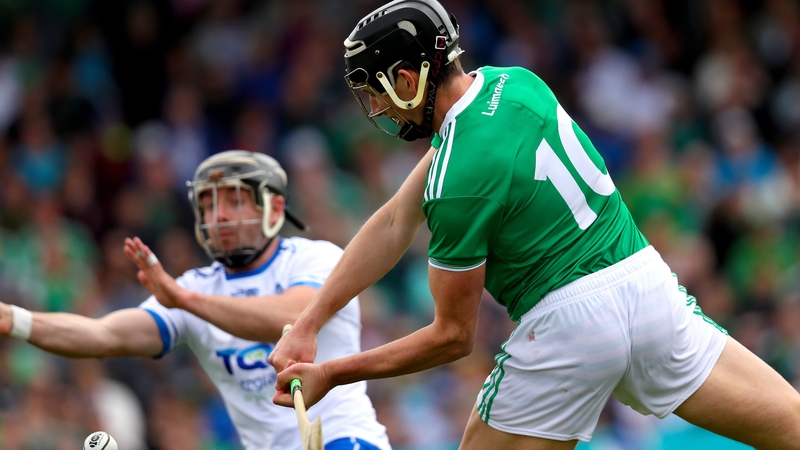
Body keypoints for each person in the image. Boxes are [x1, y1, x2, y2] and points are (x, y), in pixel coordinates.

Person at [268, 1, 800, 449]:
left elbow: (452, 338)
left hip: (567, 329)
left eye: (377, 90)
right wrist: (311, 321)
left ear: (407, 79)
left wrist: (333, 373)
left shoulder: (456, 180)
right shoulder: (517, 82)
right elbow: (392, 221)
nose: (378, 106)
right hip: (646, 287)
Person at [0, 150, 392, 450]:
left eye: (234, 202)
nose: (218, 216)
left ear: (273, 208)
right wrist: (14, 319)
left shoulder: (316, 258)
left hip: (345, 439)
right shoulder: (193, 289)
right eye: (208, 205)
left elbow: (294, 315)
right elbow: (104, 335)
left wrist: (186, 301)